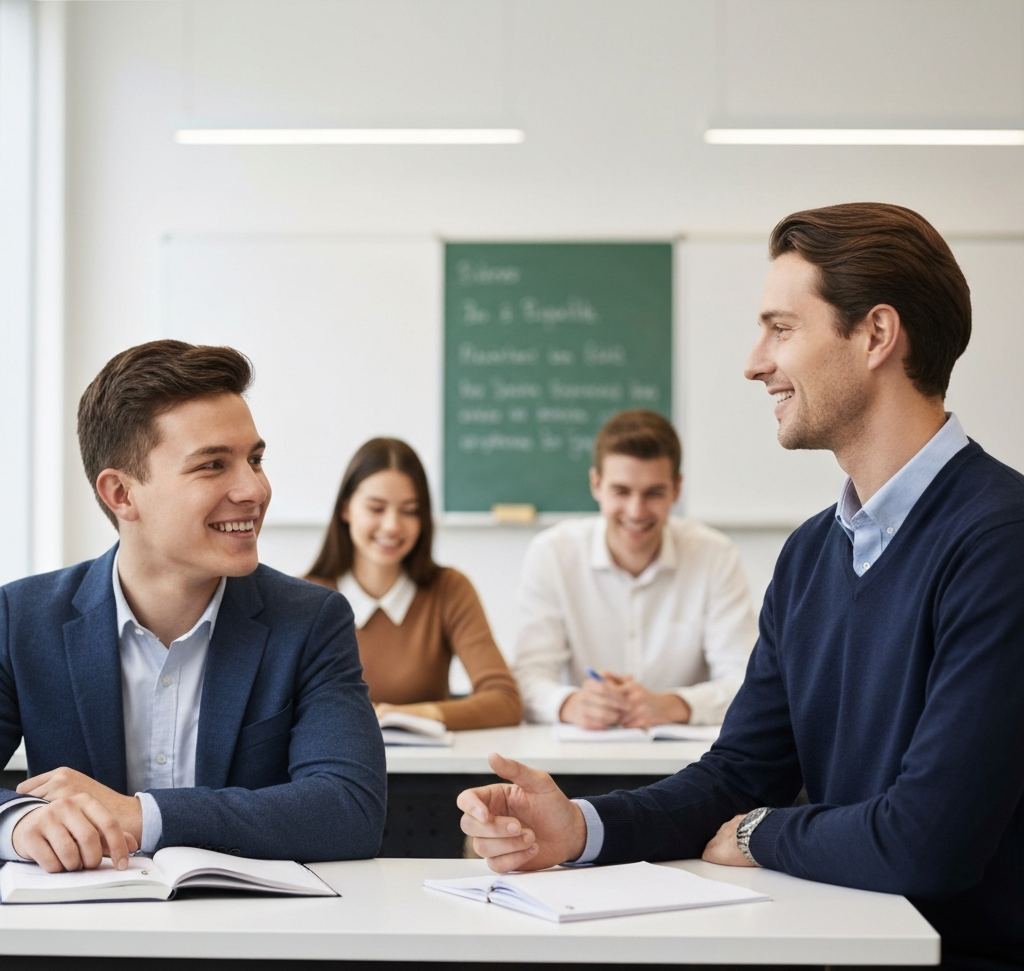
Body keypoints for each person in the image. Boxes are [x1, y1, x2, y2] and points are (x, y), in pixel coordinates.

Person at [458, 203, 1024, 971]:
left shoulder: (1000, 540)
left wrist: (763, 832)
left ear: (877, 336)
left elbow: (929, 841)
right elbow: (739, 773)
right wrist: (581, 827)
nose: (755, 361)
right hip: (842, 944)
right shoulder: (812, 554)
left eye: (781, 328)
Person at [0, 340, 386, 873]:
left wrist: (141, 816)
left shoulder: (311, 620)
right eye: (212, 465)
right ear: (121, 494)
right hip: (81, 937)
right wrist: (16, 822)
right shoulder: (22, 618)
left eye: (255, 459)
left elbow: (349, 808)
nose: (254, 489)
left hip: (251, 939)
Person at [513, 409, 758, 728]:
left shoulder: (714, 555)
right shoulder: (553, 554)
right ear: (596, 484)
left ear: (676, 489)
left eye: (653, 493)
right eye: (622, 491)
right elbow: (528, 678)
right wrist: (571, 704)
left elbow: (746, 681)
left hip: (685, 765)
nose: (636, 511)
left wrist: (673, 705)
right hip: (582, 759)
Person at [305, 438, 522, 731]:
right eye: (377, 508)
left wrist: (406, 715)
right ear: (346, 509)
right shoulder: (304, 597)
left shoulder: (448, 590)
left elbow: (505, 701)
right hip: (330, 773)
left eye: (409, 510)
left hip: (426, 772)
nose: (393, 525)